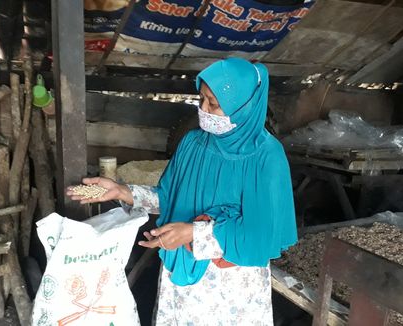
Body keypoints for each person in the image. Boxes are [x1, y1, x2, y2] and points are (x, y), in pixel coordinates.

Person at [67, 57, 297, 325]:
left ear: (244, 106)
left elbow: (262, 232)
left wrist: (193, 233)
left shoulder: (267, 156)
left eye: (215, 103)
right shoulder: (193, 144)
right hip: (183, 276)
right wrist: (122, 192)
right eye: (201, 99)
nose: (204, 109)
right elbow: (168, 197)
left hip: (232, 287)